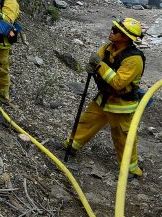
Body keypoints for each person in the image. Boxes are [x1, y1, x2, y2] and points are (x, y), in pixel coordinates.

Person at [60, 17, 146, 178]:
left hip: (121, 105)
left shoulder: (134, 59)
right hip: (104, 98)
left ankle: (131, 169)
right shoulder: (108, 48)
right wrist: (92, 66)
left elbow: (118, 82)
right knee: (86, 122)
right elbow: (96, 60)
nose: (111, 32)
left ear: (126, 38)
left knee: (123, 137)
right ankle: (70, 146)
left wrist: (99, 66)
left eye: (116, 31)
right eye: (113, 29)